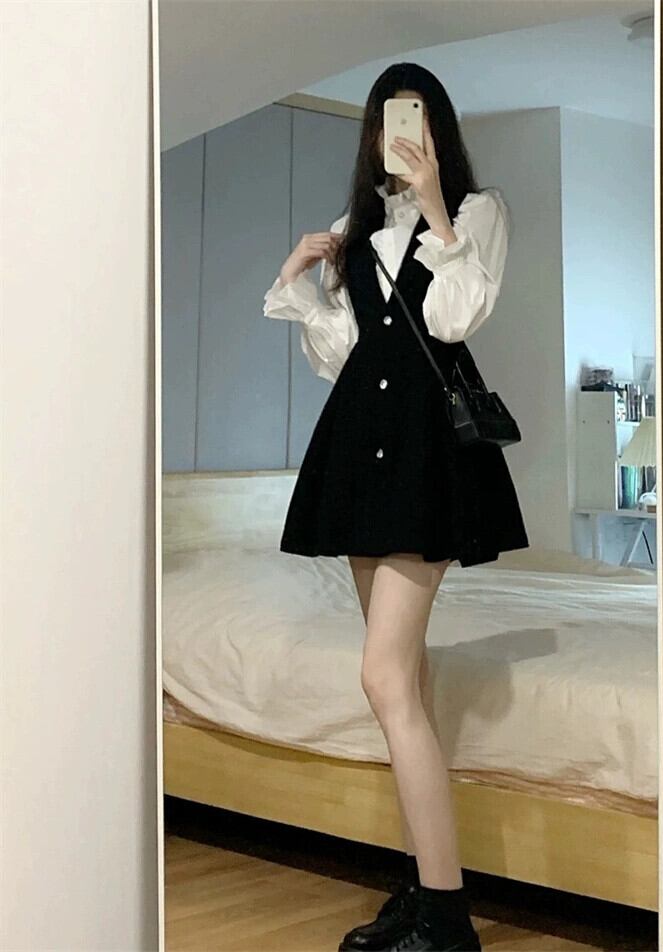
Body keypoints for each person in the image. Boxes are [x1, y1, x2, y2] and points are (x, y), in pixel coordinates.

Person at [263, 62, 528, 952]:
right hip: (359, 454)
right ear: (372, 132)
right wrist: (300, 279)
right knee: (404, 680)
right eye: (384, 119)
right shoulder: (356, 228)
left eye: (411, 117)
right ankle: (422, 892)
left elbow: (455, 318)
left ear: (435, 127)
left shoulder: (480, 211)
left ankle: (448, 921)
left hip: (424, 459)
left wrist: (437, 210)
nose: (397, 133)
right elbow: (345, 354)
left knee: (382, 677)